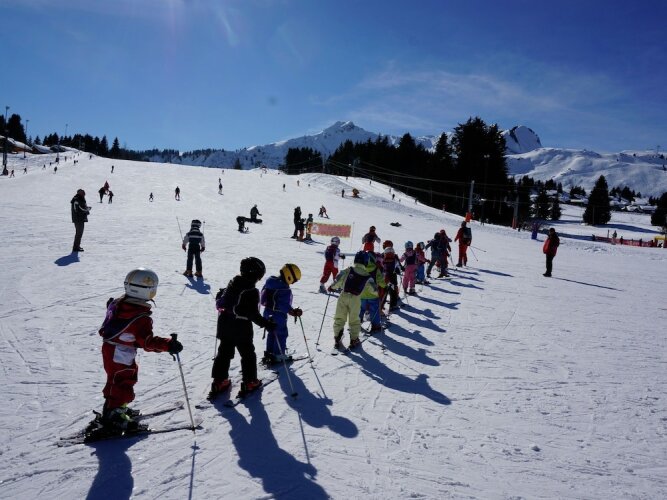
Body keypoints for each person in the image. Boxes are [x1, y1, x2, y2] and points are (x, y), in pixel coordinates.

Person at [97, 268, 183, 430]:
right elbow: (147, 342)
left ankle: (115, 407)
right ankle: (114, 415)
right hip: (120, 352)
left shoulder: (120, 303)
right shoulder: (140, 318)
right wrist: (168, 344)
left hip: (112, 348)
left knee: (117, 378)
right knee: (123, 381)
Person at [209, 257, 276, 398]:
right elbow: (253, 314)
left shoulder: (233, 283)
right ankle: (250, 382)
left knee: (224, 353)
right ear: (256, 275)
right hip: (241, 327)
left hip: (225, 324)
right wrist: (267, 324)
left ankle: (219, 381)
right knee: (248, 354)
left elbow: (223, 300)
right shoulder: (252, 290)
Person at [328, 251, 375, 350]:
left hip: (343, 296)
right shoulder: (368, 276)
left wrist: (332, 287)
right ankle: (354, 339)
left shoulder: (348, 270)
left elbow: (338, 280)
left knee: (339, 317)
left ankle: (337, 336)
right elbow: (374, 290)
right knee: (354, 319)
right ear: (366, 262)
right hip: (356, 299)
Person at [260, 264, 303, 364]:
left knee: (272, 332)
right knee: (281, 334)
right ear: (289, 276)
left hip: (267, 313)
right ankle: (278, 355)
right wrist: (292, 311)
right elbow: (283, 304)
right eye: (294, 280)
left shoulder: (271, 282)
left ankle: (269, 352)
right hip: (278, 315)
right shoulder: (284, 289)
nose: (293, 282)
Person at [359, 252, 385, 332]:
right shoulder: (376, 269)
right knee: (374, 309)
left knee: (360, 309)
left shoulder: (361, 268)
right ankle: (376, 325)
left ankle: (356, 323)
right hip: (373, 293)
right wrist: (384, 285)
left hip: (361, 293)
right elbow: (381, 281)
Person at [71, 189, 90, 253]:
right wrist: (86, 210)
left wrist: (87, 209)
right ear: (79, 193)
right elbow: (77, 210)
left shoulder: (81, 199)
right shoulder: (76, 199)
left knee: (80, 233)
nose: (84, 194)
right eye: (83, 193)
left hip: (81, 219)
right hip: (78, 219)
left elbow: (82, 207)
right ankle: (76, 247)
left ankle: (77, 246)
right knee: (79, 233)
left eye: (84, 193)